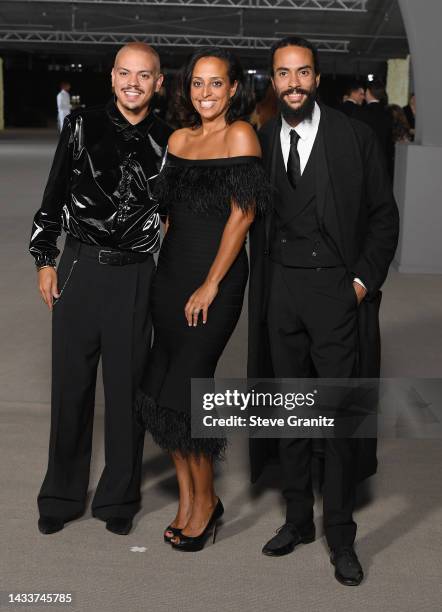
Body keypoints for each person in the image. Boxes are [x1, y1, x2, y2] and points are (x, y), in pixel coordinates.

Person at [247, 37, 399, 585]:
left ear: (317, 78)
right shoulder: (259, 140)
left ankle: (340, 533)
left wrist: (359, 284)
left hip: (336, 293)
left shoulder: (354, 136)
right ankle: (296, 519)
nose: (293, 83)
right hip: (280, 292)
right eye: (283, 74)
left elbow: (384, 218)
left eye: (302, 72)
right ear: (272, 80)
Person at [29, 43, 172, 536]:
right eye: (125, 73)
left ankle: (118, 500)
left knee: (127, 393)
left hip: (135, 275)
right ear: (113, 77)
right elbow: (53, 195)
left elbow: (175, 212)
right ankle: (61, 495)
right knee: (71, 388)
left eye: (144, 75)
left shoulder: (173, 139)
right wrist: (45, 259)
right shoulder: (80, 125)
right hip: (79, 268)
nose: (133, 82)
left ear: (159, 82)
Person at [135, 47, 270, 552]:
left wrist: (211, 282)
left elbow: (243, 216)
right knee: (159, 393)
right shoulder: (177, 138)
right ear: (186, 88)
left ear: (234, 88)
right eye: (197, 83)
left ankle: (207, 503)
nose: (206, 93)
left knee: (188, 394)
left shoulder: (240, 134)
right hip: (170, 278)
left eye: (216, 84)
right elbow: (168, 213)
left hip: (215, 282)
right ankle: (188, 500)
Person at [359, 80, 394, 178]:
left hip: (365, 158)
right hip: (383, 158)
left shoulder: (361, 113)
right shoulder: (388, 113)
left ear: (368, 92)